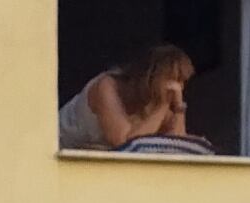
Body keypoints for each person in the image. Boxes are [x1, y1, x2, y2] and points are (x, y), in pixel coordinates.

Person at [58, 42, 197, 150]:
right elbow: (126, 144)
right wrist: (162, 106)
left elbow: (177, 145)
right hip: (60, 155)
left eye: (182, 82)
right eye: (173, 79)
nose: (178, 88)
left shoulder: (156, 103)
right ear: (152, 76)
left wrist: (179, 109)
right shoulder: (106, 87)